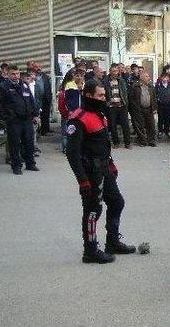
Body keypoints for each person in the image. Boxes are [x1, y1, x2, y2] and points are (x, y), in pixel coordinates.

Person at [65, 79, 136, 263]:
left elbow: (103, 144)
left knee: (117, 202)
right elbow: (72, 154)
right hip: (90, 172)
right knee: (92, 211)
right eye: (100, 95)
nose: (104, 98)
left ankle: (112, 242)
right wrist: (83, 181)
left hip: (104, 168)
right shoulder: (78, 118)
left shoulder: (100, 114)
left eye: (105, 95)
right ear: (88, 95)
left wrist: (111, 164)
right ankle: (90, 251)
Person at [0, 65, 39, 175]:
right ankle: (16, 166)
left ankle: (30, 164)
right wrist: (7, 117)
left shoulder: (24, 84)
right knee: (14, 144)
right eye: (13, 74)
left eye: (18, 73)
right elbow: (1, 105)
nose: (16, 76)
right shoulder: (3, 86)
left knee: (29, 142)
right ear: (8, 74)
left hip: (27, 119)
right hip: (14, 121)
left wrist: (35, 114)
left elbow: (31, 99)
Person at [102, 64, 131, 149]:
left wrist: (125, 103)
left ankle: (127, 143)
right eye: (114, 71)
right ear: (110, 72)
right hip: (111, 107)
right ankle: (116, 142)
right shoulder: (105, 81)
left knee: (125, 124)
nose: (115, 73)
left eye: (117, 71)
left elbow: (125, 93)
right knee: (113, 125)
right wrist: (107, 101)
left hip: (122, 106)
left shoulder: (121, 80)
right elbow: (104, 93)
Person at [129, 71, 157, 147]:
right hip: (139, 109)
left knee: (151, 125)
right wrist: (134, 108)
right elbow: (131, 99)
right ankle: (143, 141)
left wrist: (154, 108)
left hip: (149, 109)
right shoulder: (134, 86)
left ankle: (151, 141)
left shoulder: (151, 86)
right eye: (147, 76)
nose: (149, 78)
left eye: (148, 76)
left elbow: (154, 98)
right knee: (140, 126)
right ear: (141, 78)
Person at [28, 61, 54, 135]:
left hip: (45, 98)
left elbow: (48, 86)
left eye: (40, 67)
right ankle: (39, 131)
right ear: (33, 68)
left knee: (46, 115)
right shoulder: (30, 76)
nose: (39, 68)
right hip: (36, 99)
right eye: (36, 67)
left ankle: (46, 129)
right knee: (37, 115)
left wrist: (50, 96)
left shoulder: (44, 75)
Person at [155, 73, 170, 138]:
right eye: (163, 77)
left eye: (166, 77)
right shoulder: (158, 85)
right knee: (160, 119)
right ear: (161, 78)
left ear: (168, 79)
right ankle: (160, 131)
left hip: (168, 105)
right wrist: (158, 99)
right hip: (160, 105)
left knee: (167, 119)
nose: (165, 79)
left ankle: (167, 130)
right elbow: (155, 94)